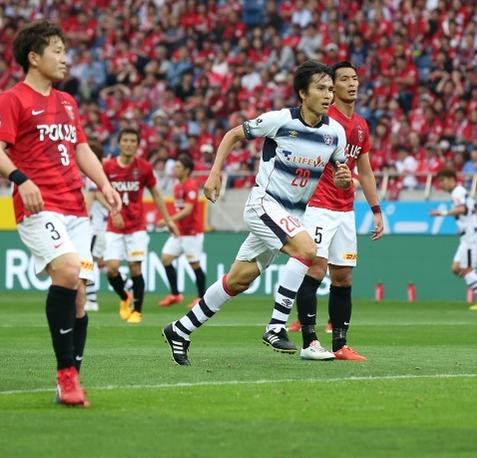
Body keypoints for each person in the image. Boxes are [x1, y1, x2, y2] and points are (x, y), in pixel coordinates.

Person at [162, 60, 352, 365]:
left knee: (238, 280)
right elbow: (233, 135)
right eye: (321, 88)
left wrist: (343, 179)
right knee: (307, 250)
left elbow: (341, 174)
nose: (328, 94)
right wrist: (214, 173)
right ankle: (276, 326)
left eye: (331, 88)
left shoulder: (336, 133)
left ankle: (180, 329)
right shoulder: (279, 120)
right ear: (303, 93)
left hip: (291, 216)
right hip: (264, 204)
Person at [0, 20, 122, 407]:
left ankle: (70, 381)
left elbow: (81, 149)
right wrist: (20, 178)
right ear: (34, 57)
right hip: (39, 205)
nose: (65, 58)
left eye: (65, 51)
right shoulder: (12, 99)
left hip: (75, 207)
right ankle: (66, 376)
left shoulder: (66, 102)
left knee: (79, 297)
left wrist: (104, 184)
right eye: (57, 51)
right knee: (67, 271)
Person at [286, 61, 384, 361]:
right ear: (332, 87)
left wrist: (376, 210)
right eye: (344, 79)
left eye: (355, 78)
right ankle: (310, 342)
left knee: (343, 278)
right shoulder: (324, 122)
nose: (352, 84)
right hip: (317, 206)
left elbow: (365, 172)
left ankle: (340, 345)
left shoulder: (361, 126)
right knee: (315, 271)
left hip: (345, 210)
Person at [102, 128, 177, 324]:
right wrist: (114, 211)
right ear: (119, 143)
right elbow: (100, 193)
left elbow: (156, 194)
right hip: (115, 226)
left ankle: (137, 311)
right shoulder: (108, 167)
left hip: (136, 226)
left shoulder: (144, 167)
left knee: (135, 267)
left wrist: (168, 220)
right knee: (111, 269)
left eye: (132, 141)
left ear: (137, 145)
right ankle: (124, 296)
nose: (128, 144)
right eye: (125, 140)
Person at [430, 168, 477, 310]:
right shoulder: (461, 191)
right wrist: (470, 224)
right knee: (456, 268)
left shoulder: (457, 192)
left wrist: (442, 213)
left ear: (451, 179)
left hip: (471, 237)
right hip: (469, 235)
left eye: (442, 181)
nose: (441, 185)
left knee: (466, 269)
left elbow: (463, 209)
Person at [82, 142, 132, 312]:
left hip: (96, 228)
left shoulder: (92, 173)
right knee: (102, 263)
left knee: (87, 262)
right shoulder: (102, 171)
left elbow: (92, 197)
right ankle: (130, 285)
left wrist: (82, 218)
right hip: (103, 227)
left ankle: (92, 300)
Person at [156, 155, 207, 309]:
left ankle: (201, 298)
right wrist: (173, 224)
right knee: (166, 259)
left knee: (195, 264)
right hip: (180, 231)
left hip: (192, 232)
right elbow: (180, 209)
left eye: (178, 167)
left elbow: (188, 210)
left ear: (187, 170)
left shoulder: (191, 186)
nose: (174, 169)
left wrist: (168, 221)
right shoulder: (177, 186)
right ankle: (175, 294)